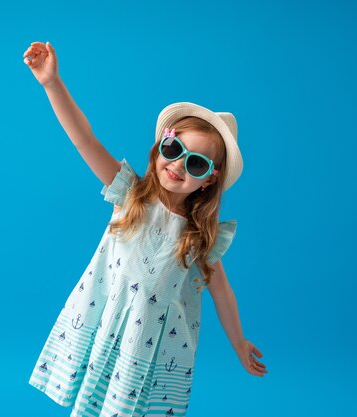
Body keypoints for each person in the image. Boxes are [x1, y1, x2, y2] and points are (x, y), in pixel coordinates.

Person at [23, 41, 267, 417]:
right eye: (174, 150)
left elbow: (221, 290)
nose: (179, 166)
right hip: (107, 321)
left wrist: (239, 343)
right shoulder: (129, 194)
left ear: (207, 180)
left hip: (149, 343)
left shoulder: (200, 235)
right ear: (159, 149)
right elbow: (83, 139)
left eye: (197, 164)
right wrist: (52, 83)